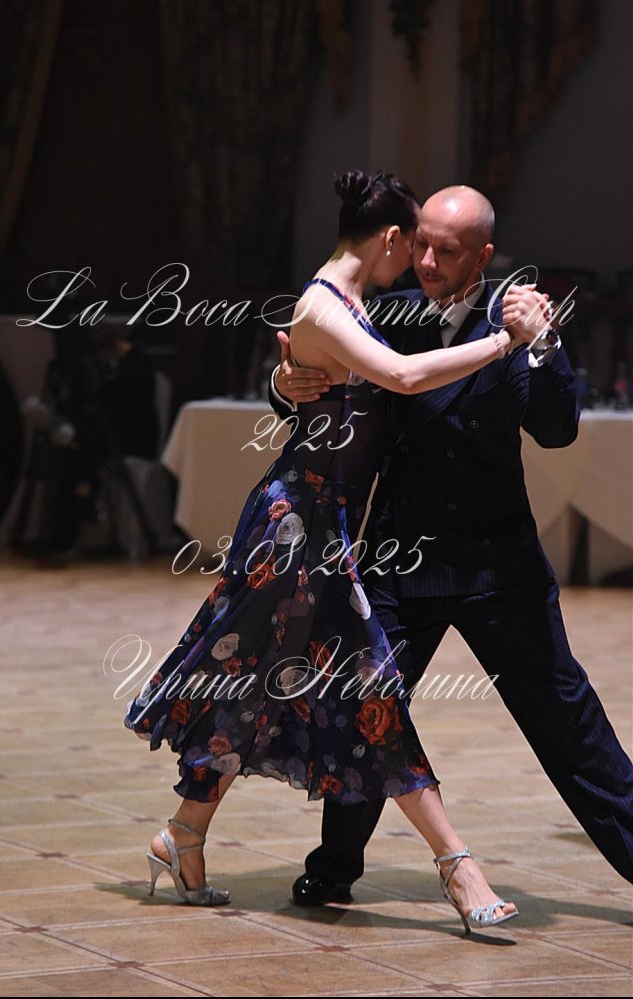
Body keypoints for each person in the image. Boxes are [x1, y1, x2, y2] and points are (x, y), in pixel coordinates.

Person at [122, 170, 544, 934]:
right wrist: (504, 341)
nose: (416, 261)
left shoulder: (352, 303)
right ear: (391, 238)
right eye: (412, 245)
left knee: (251, 683)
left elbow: (341, 382)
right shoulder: (324, 302)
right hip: (295, 527)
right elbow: (402, 377)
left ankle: (182, 834)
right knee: (364, 686)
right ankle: (458, 863)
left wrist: (288, 380)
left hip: (324, 524)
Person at [269, 183, 633, 907]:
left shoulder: (514, 316)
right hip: (400, 561)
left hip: (498, 566)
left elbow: (557, 428)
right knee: (369, 708)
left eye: (448, 250)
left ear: (484, 256)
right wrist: (284, 381)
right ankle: (335, 866)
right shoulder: (385, 311)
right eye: (422, 244)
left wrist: (544, 340)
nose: (428, 261)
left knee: (567, 719)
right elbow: (314, 380)